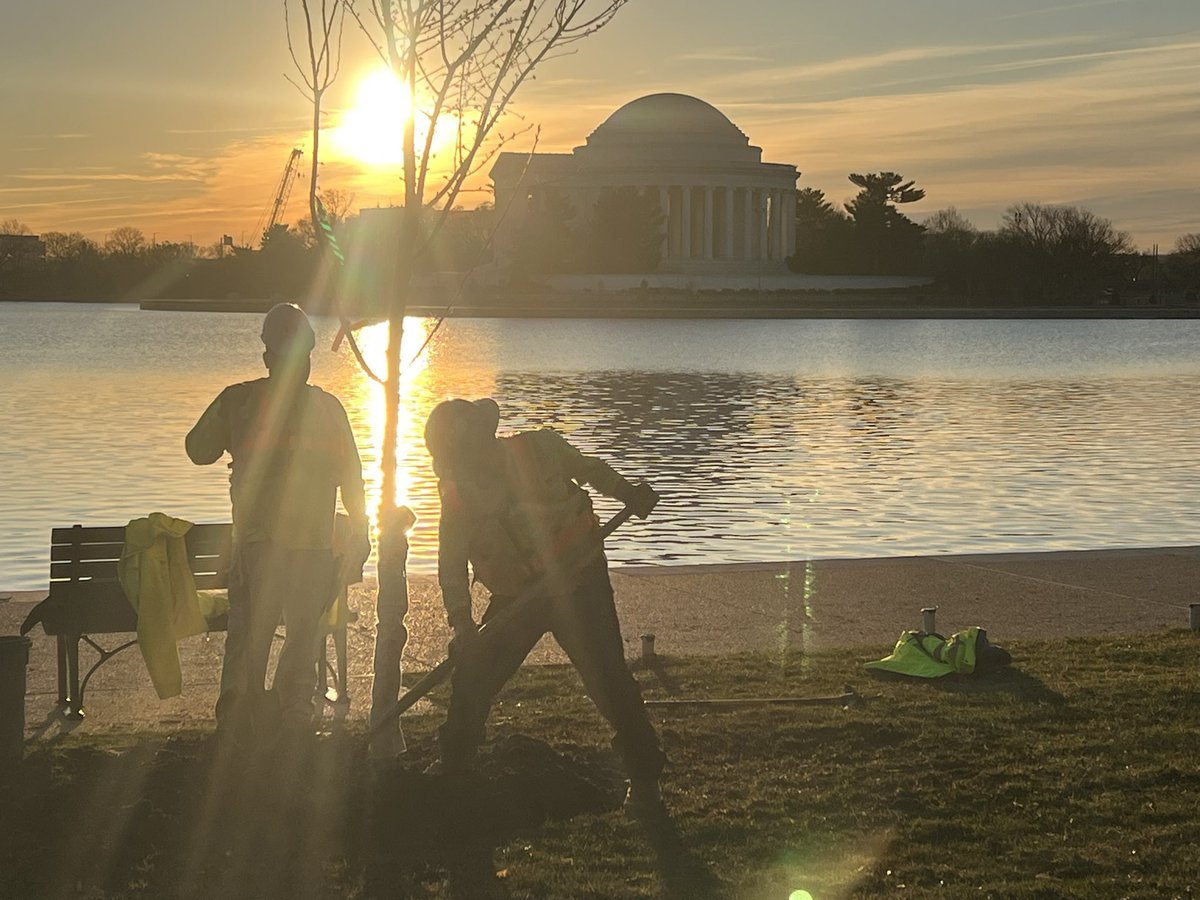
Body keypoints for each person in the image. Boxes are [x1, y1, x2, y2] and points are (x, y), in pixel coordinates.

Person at [424, 397, 665, 811]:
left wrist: (627, 492)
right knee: (474, 676)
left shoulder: (539, 449)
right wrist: (462, 623)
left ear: (484, 441)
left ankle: (644, 781)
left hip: (580, 584)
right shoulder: (458, 493)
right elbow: (451, 561)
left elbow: (591, 470)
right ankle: (455, 766)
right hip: (518, 599)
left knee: (609, 680)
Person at [185, 302, 370, 744]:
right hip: (311, 544)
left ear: (267, 356)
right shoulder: (329, 409)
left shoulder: (239, 401)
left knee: (250, 634)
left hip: (260, 543)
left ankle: (239, 714)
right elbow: (352, 477)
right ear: (307, 358)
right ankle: (294, 713)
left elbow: (197, 450)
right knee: (303, 634)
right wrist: (361, 532)